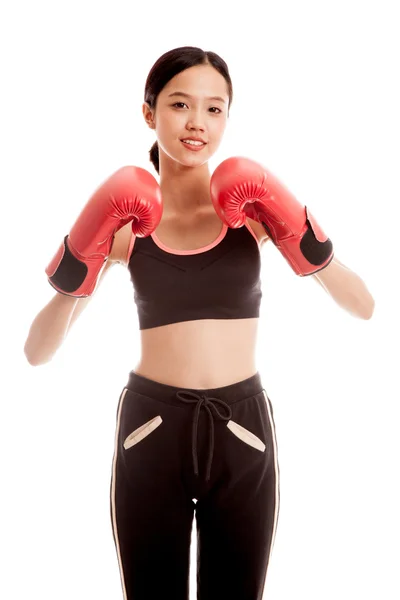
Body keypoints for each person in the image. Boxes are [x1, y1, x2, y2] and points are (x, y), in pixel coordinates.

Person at [24, 46, 375, 600]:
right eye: (181, 104)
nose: (197, 123)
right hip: (151, 426)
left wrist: (301, 230)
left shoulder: (254, 214)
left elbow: (364, 306)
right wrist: (80, 254)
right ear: (149, 113)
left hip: (241, 424)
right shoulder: (126, 224)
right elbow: (37, 353)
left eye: (215, 109)